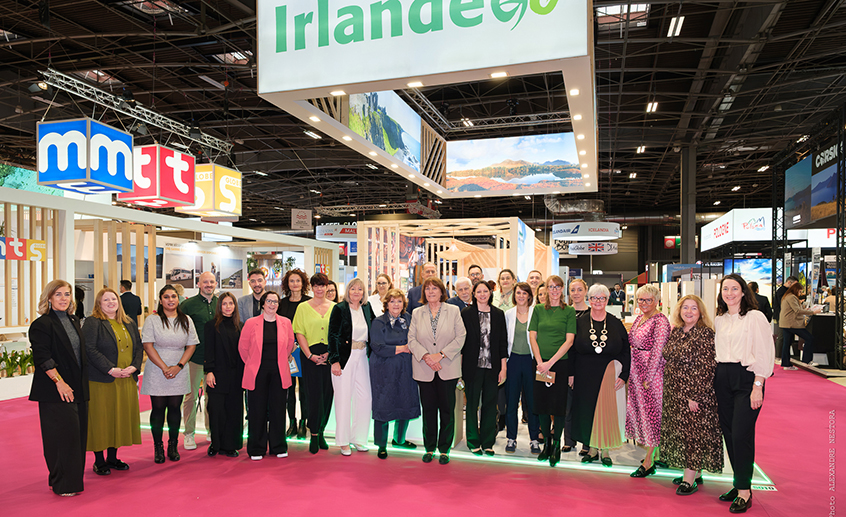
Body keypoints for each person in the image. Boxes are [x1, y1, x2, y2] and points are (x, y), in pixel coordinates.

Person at [714, 274, 774, 512]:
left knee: (741, 434)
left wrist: (758, 385)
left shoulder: (755, 317)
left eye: (734, 288)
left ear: (743, 292)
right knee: (729, 433)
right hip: (723, 377)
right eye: (725, 289)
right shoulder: (720, 319)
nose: (729, 293)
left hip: (747, 378)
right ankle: (739, 483)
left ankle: (745, 492)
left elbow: (764, 352)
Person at [29, 280, 89, 496]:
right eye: (58, 294)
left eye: (67, 294)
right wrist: (59, 382)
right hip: (55, 390)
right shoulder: (42, 324)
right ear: (49, 298)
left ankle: (70, 479)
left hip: (78, 388)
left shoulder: (74, 320)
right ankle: (63, 483)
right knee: (62, 438)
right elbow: (43, 358)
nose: (64, 298)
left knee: (78, 436)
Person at [661, 295, 723, 496]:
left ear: (701, 312)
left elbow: (706, 368)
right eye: (685, 307)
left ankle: (689, 479)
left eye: (693, 308)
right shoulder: (677, 331)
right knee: (682, 433)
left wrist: (695, 395)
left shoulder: (705, 334)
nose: (689, 312)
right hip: (674, 393)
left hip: (694, 394)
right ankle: (695, 472)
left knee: (693, 435)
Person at [82, 288, 142, 475]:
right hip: (102, 380)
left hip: (125, 379)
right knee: (102, 419)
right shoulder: (93, 322)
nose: (110, 302)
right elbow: (89, 349)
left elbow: (138, 346)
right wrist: (110, 369)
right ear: (99, 303)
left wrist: (135, 366)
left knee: (119, 417)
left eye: (113, 299)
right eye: (105, 300)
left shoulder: (128, 322)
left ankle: (113, 457)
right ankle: (99, 461)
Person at [408, 277, 466, 464]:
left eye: (435, 288)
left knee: (447, 410)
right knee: (429, 410)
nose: (431, 292)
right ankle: (430, 447)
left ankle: (444, 449)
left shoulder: (454, 310)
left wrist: (440, 355)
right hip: (424, 368)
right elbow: (412, 340)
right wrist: (427, 356)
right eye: (427, 289)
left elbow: (461, 337)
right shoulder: (417, 313)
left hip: (447, 367)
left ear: (442, 292)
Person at [571, 284, 631, 467]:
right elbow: (572, 350)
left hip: (608, 373)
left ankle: (605, 450)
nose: (598, 301)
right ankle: (591, 449)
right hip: (583, 373)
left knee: (606, 412)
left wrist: (624, 375)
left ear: (607, 300)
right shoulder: (579, 321)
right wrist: (571, 374)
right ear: (589, 300)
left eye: (602, 298)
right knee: (586, 411)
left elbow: (626, 351)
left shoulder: (615, 322)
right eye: (594, 298)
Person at [140, 285, 199, 463]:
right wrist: (165, 367)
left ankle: (173, 445)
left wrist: (179, 366)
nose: (170, 300)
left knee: (175, 408)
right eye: (166, 297)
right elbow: (148, 345)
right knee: (158, 409)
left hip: (179, 369)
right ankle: (158, 447)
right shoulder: (152, 320)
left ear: (178, 299)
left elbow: (191, 345)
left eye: (173, 296)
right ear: (160, 300)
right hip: (157, 369)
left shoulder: (186, 319)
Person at [239, 291, 296, 460]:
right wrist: (252, 364)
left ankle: (278, 446)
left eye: (276, 302)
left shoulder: (285, 322)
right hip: (257, 372)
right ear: (263, 304)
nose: (272, 304)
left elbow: (289, 345)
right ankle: (256, 448)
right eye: (269, 301)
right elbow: (243, 348)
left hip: (279, 371)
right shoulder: (251, 323)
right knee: (257, 410)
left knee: (278, 410)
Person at [528, 275, 576, 467]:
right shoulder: (539, 309)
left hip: (559, 365)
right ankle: (546, 444)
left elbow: (569, 340)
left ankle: (556, 445)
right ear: (546, 289)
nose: (554, 290)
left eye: (558, 287)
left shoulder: (569, 311)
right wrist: (541, 362)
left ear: (562, 289)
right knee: (542, 406)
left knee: (558, 406)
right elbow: (533, 337)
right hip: (540, 364)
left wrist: (550, 363)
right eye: (551, 287)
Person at [626, 284, 671, 477]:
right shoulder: (640, 318)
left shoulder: (661, 321)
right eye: (641, 300)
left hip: (651, 374)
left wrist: (648, 377)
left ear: (656, 301)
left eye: (648, 300)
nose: (644, 303)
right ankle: (655, 453)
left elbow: (658, 351)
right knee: (643, 414)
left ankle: (649, 461)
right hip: (636, 372)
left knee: (653, 415)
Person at [369, 289, 420, 459]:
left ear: (404, 304)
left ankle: (399, 439)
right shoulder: (378, 322)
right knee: (383, 405)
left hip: (406, 368)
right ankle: (381, 445)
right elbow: (377, 346)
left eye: (399, 301)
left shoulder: (410, 319)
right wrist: (403, 348)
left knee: (405, 401)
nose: (396, 305)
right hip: (383, 369)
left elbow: (417, 339)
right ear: (386, 304)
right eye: (392, 301)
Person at [461, 280, 508, 456]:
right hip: (472, 367)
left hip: (493, 366)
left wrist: (503, 368)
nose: (482, 294)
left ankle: (488, 442)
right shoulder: (466, 313)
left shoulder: (498, 314)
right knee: (472, 405)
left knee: (490, 405)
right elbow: (462, 343)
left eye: (485, 291)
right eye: (478, 291)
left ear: (490, 293)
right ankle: (473, 441)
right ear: (474, 294)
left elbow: (503, 343)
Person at [328, 278, 374, 455]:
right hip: (345, 358)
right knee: (343, 399)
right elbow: (332, 335)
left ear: (364, 293)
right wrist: (335, 360)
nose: (356, 292)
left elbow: (375, 329)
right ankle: (343, 441)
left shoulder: (366, 308)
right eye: (353, 289)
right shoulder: (339, 308)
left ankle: (359, 438)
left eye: (360, 289)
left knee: (365, 398)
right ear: (348, 291)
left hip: (363, 357)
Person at [293, 273, 336, 454]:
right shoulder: (303, 307)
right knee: (312, 395)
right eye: (316, 286)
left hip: (329, 357)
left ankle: (323, 430)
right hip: (309, 356)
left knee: (327, 395)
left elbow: (337, 333)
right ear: (311, 287)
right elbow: (299, 332)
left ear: (327, 287)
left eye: (322, 285)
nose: (319, 289)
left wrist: (329, 353)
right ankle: (314, 433)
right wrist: (310, 355)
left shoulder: (335, 307)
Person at [179, 271, 218, 451]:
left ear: (215, 283)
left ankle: (212, 430)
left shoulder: (221, 304)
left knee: (213, 398)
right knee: (191, 397)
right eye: (205, 282)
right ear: (199, 284)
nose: (208, 285)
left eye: (211, 282)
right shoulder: (187, 305)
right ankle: (189, 433)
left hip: (216, 360)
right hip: (194, 359)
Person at [204, 292, 244, 458]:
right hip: (217, 375)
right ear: (219, 306)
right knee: (216, 410)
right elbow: (208, 350)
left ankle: (230, 445)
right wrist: (209, 371)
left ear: (235, 306)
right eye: (224, 304)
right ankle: (216, 444)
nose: (228, 307)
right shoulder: (211, 325)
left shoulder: (241, 326)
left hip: (236, 376)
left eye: (231, 303)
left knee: (233, 411)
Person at [504, 282, 541, 454]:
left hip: (531, 362)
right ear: (514, 295)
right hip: (513, 361)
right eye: (518, 293)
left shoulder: (537, 313)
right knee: (511, 402)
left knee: (533, 402)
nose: (521, 296)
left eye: (524, 293)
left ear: (529, 296)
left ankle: (534, 439)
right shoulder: (508, 314)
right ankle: (511, 438)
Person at [277, 268, 311, 439]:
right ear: (287, 284)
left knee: (304, 390)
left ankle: (304, 423)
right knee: (288, 389)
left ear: (303, 283)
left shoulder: (310, 303)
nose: (295, 284)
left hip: (305, 352)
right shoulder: (281, 304)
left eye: (298, 281)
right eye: (292, 281)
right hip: (287, 353)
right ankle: (292, 422)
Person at [564, 278, 589, 454]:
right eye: (573, 290)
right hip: (566, 363)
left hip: (586, 366)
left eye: (580, 290)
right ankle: (568, 440)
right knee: (567, 405)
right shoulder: (565, 312)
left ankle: (587, 443)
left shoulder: (592, 313)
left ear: (586, 291)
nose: (576, 293)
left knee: (585, 406)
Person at [779, 281, 822, 369]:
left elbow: (794, 309)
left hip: (786, 323)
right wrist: (812, 312)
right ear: (796, 290)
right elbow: (797, 311)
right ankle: (806, 361)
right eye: (800, 291)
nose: (800, 293)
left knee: (787, 343)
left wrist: (801, 306)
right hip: (792, 323)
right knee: (809, 338)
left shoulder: (787, 296)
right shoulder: (791, 297)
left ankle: (786, 364)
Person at [772, 276, 798, 359]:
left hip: (785, 316)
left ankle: (782, 355)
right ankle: (778, 356)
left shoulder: (785, 291)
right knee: (782, 336)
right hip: (782, 317)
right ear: (789, 282)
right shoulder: (782, 291)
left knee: (786, 337)